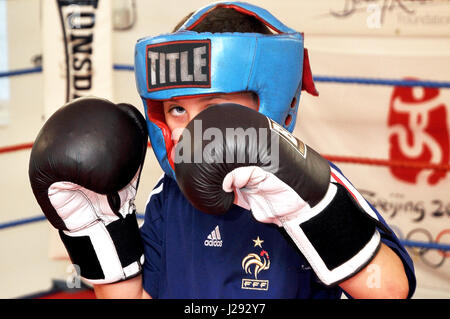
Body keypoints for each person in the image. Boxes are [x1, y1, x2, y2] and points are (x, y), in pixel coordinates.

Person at [30, 1, 416, 299]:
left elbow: (390, 289)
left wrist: (307, 207)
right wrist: (95, 230)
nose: (188, 128)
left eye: (213, 109)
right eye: (176, 109)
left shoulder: (309, 180)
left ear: (270, 102)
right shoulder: (172, 198)